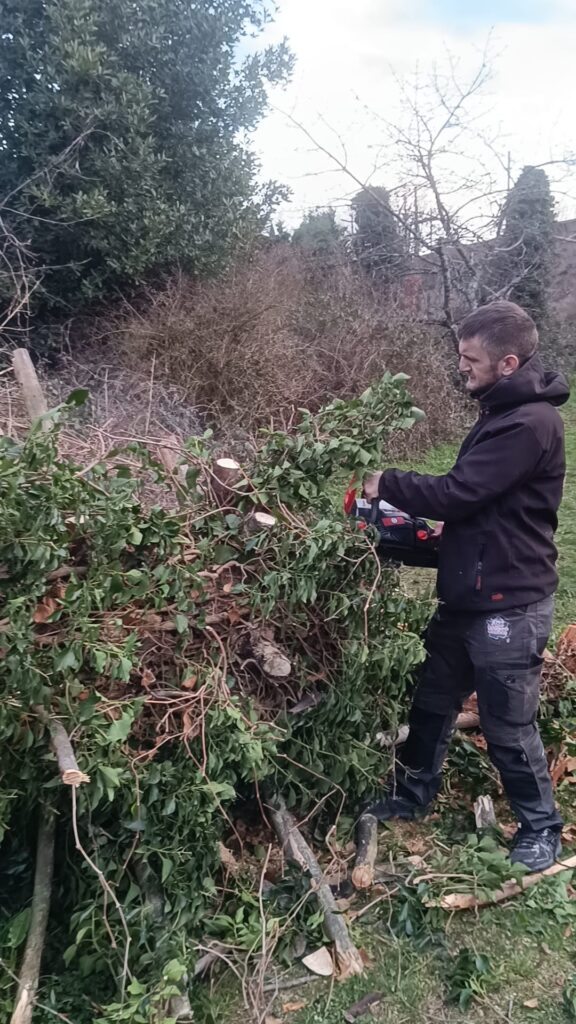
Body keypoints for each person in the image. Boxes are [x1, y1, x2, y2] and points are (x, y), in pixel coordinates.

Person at [363, 300, 570, 871]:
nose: (461, 366)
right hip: (468, 593)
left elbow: (458, 494)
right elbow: (481, 515)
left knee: (507, 723)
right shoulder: (500, 412)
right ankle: (412, 794)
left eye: (469, 357)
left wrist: (388, 483)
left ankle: (541, 828)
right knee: (432, 702)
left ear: (507, 362)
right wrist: (406, 538)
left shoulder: (529, 423)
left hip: (509, 601)